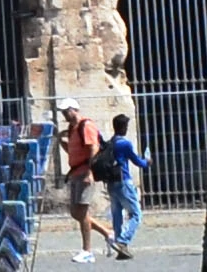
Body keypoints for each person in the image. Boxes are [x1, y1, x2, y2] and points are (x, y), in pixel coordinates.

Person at [99, 114, 145, 259]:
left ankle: (121, 248)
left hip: (111, 183)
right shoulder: (124, 144)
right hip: (123, 180)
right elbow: (137, 161)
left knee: (117, 215)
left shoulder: (110, 143)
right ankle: (122, 241)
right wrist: (147, 162)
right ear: (124, 127)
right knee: (136, 214)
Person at [60, 106, 104, 260]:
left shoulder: (86, 125)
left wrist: (90, 172)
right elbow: (72, 151)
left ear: (74, 110)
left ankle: (87, 251)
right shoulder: (72, 129)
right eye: (62, 112)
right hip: (75, 173)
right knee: (75, 212)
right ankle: (107, 233)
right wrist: (60, 140)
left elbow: (94, 148)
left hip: (85, 174)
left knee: (83, 212)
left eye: (66, 111)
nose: (64, 114)